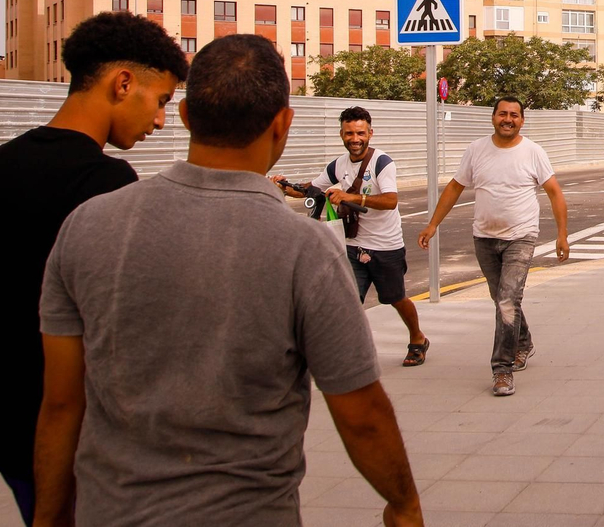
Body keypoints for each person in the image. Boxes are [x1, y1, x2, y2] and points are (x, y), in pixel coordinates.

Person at [33, 35, 422, 526]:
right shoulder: (306, 249)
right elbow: (361, 413)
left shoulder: (86, 225)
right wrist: (404, 504)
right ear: (283, 123)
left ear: (185, 116)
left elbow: (62, 403)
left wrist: (46, 519)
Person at [0, 12, 186, 523]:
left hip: (8, 433)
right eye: (160, 103)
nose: (159, 121)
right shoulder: (108, 183)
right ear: (123, 83)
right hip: (81, 443)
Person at [418, 97, 569, 397]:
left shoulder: (533, 152)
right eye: (503, 114)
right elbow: (454, 187)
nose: (508, 119)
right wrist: (433, 223)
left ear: (522, 121)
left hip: (521, 236)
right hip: (484, 238)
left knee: (506, 301)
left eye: (514, 115)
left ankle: (502, 370)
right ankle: (523, 343)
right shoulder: (476, 150)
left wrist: (562, 235)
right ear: (493, 118)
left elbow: (554, 193)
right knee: (503, 300)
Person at [277, 106, 429, 367]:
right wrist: (284, 186)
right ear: (341, 134)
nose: (355, 139)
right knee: (347, 301)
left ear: (370, 133)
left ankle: (418, 338)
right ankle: (349, 351)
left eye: (360, 133)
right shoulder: (337, 165)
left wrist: (352, 196)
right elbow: (311, 190)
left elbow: (391, 201)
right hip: (352, 245)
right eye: (349, 133)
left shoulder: (382, 162)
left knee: (395, 298)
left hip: (385, 246)